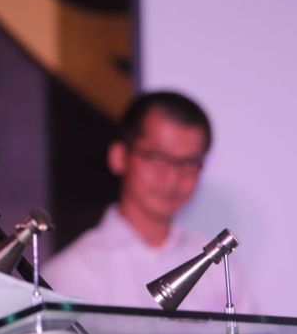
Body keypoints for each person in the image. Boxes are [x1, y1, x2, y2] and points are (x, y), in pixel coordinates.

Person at [43, 91, 256, 313]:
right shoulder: (74, 271)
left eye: (189, 163)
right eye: (158, 158)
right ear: (119, 156)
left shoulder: (219, 268)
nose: (173, 178)